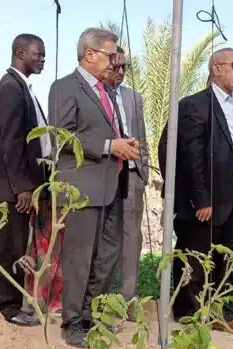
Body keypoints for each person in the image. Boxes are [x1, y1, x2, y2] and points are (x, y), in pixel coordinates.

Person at [158, 47, 233, 338]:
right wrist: (201, 198)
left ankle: (224, 313)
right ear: (216, 68)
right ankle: (190, 314)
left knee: (229, 258)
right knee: (196, 256)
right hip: (208, 199)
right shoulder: (195, 105)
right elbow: (192, 155)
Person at [48, 27, 140, 347]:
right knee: (80, 256)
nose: (115, 62)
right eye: (110, 55)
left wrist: (122, 145)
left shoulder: (107, 92)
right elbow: (63, 135)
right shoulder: (65, 87)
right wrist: (108, 145)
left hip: (111, 184)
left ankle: (90, 315)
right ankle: (72, 321)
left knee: (106, 256)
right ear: (90, 54)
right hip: (81, 185)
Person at [0, 33, 51, 326]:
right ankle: (5, 306)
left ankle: (2, 300)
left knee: (11, 244)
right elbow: (11, 142)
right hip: (14, 190)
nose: (42, 59)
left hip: (19, 187)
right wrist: (22, 187)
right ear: (21, 52)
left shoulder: (22, 87)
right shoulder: (11, 87)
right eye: (38, 54)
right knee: (9, 246)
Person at [103, 46, 149, 321]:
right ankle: (102, 298)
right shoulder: (95, 95)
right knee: (106, 237)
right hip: (105, 173)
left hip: (132, 175)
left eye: (125, 68)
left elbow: (141, 134)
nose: (120, 72)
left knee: (132, 238)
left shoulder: (134, 98)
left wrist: (143, 171)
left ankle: (128, 298)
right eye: (116, 66)